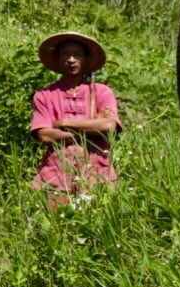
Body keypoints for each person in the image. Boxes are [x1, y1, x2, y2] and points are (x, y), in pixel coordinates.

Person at [30, 30, 121, 207]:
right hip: (57, 174)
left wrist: (64, 124)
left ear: (86, 59)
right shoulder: (44, 95)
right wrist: (92, 125)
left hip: (97, 173)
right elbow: (44, 135)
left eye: (77, 54)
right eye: (66, 54)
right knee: (56, 229)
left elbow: (109, 126)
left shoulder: (102, 92)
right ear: (57, 58)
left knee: (97, 227)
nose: (71, 59)